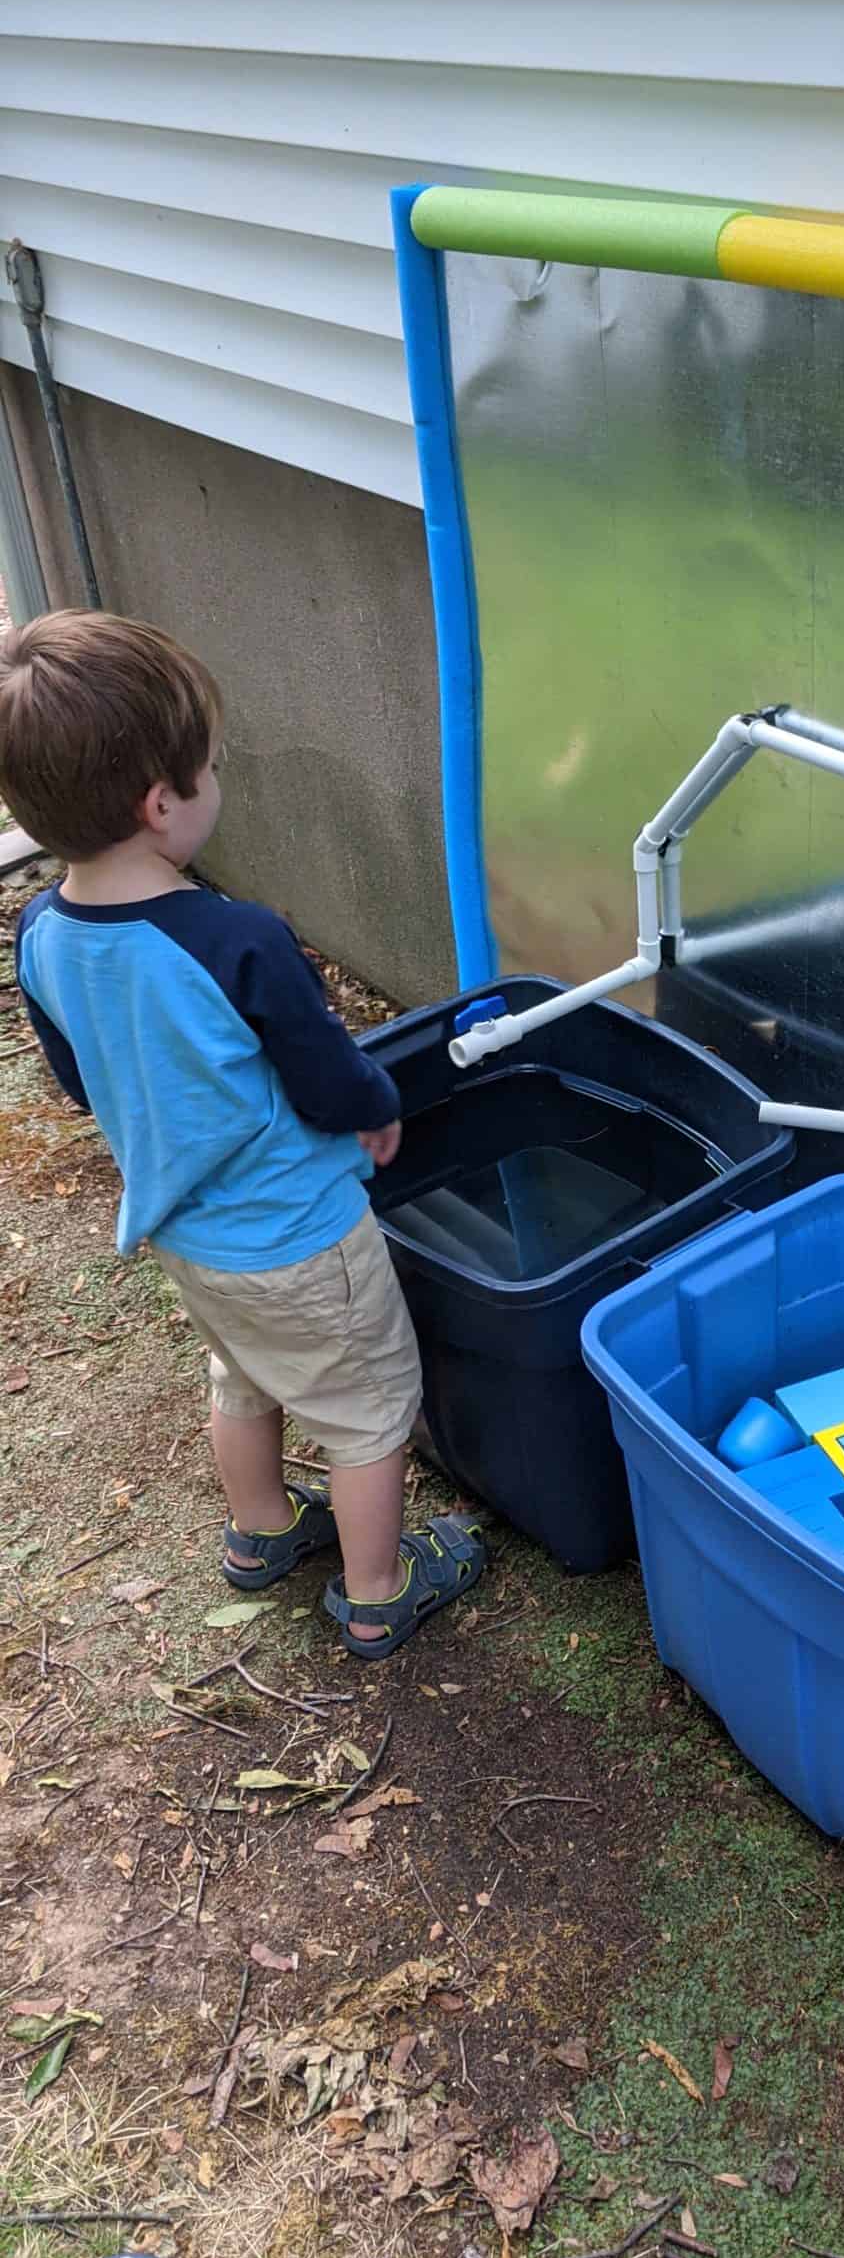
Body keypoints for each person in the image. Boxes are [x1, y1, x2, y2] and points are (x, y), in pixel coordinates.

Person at [0, 610, 486, 1658]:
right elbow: (324, 1072)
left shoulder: (38, 934)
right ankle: (377, 1589)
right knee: (365, 1410)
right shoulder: (236, 940)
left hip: (188, 1237)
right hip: (299, 1237)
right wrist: (378, 1110)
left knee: (245, 1373)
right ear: (161, 802)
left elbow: (81, 1085)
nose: (219, 783)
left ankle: (262, 1531)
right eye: (213, 768)